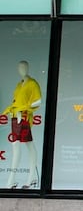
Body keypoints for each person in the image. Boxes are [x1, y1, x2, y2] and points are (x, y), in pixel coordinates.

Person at [3, 60, 42, 189]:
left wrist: (23, 108)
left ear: (28, 67)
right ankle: (30, 178)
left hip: (23, 118)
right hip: (15, 118)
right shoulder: (19, 85)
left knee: (22, 147)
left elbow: (38, 101)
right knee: (24, 146)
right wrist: (9, 110)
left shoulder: (32, 84)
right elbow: (15, 101)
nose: (22, 70)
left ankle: (14, 180)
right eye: (19, 67)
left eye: (24, 67)